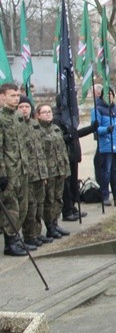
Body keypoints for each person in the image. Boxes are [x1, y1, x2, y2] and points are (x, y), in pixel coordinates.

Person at [18, 96, 53, 247]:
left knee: (39, 204)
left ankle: (37, 233)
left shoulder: (34, 125)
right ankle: (29, 235)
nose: (24, 109)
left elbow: (40, 151)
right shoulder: (17, 125)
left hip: (39, 172)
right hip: (27, 174)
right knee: (29, 207)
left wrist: (44, 173)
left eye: (27, 106)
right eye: (21, 106)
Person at [0, 84, 31, 255]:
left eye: (17, 95)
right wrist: (2, 173)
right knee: (11, 208)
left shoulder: (19, 117)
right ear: (3, 97)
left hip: (23, 169)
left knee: (23, 206)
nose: (16, 98)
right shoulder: (1, 119)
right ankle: (10, 242)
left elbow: (25, 144)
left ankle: (16, 238)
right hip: (9, 172)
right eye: (12, 95)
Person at [36, 104, 70, 240]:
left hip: (59, 169)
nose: (48, 114)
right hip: (48, 171)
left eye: (49, 111)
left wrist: (66, 168)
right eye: (44, 112)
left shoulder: (56, 129)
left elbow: (62, 151)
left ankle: (55, 223)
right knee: (48, 200)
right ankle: (49, 226)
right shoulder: (37, 131)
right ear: (38, 115)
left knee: (58, 198)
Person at [91, 90, 116, 205]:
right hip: (106, 145)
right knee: (106, 171)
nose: (109, 97)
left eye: (111, 94)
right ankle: (105, 196)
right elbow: (95, 128)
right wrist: (106, 129)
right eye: (106, 95)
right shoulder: (97, 109)